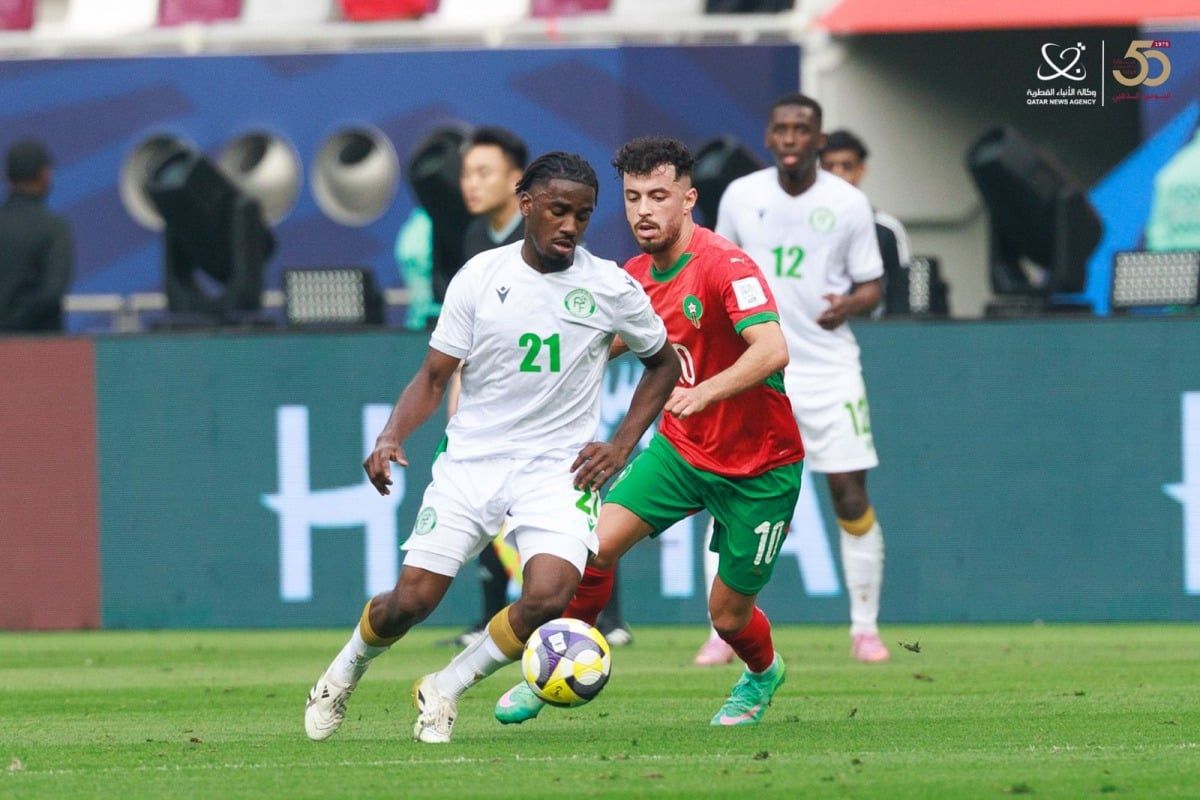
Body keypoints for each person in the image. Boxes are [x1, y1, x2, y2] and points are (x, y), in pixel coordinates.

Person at [304, 152, 680, 745]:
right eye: (558, 210)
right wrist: (391, 434)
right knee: (410, 602)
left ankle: (445, 687)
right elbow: (434, 377)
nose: (570, 226)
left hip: (557, 468)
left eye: (583, 215)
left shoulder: (610, 286)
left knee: (548, 597)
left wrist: (621, 445)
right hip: (473, 462)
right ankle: (343, 671)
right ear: (526, 204)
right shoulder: (480, 276)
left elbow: (663, 363)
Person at [494, 136, 804, 727]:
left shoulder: (726, 266)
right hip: (681, 453)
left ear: (688, 200)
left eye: (659, 196)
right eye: (633, 197)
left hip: (760, 467)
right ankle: (562, 658)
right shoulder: (632, 278)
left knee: (729, 617)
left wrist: (705, 392)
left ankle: (763, 675)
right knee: (592, 548)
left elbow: (772, 349)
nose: (643, 210)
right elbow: (593, 349)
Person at [704, 93, 890, 665]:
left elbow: (873, 284)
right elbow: (717, 269)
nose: (790, 138)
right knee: (729, 496)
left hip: (828, 369)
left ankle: (865, 628)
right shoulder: (742, 196)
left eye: (801, 129)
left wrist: (848, 304)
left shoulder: (848, 203)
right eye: (781, 128)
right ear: (768, 136)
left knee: (849, 494)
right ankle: (720, 632)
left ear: (818, 139)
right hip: (753, 370)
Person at [820, 129, 913, 305]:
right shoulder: (801, 222)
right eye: (829, 166)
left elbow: (900, 293)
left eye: (846, 166)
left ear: (861, 170)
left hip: (871, 321)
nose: (837, 173)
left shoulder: (887, 228)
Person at [0, 139, 72, 332]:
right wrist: (18, 322)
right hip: (40, 342)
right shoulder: (53, 228)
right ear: (44, 175)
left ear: (7, 176)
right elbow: (52, 291)